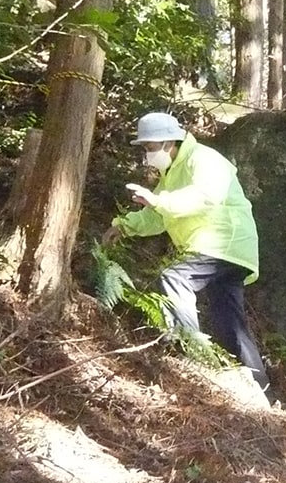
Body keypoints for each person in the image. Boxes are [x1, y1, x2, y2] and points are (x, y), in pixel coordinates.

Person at [106, 111, 268, 391]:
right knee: (230, 324)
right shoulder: (172, 173)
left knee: (174, 278)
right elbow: (159, 216)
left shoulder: (203, 159)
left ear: (170, 142)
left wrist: (159, 199)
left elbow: (205, 196)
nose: (148, 156)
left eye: (150, 148)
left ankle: (193, 359)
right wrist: (124, 225)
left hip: (222, 242)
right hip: (226, 250)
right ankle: (260, 390)